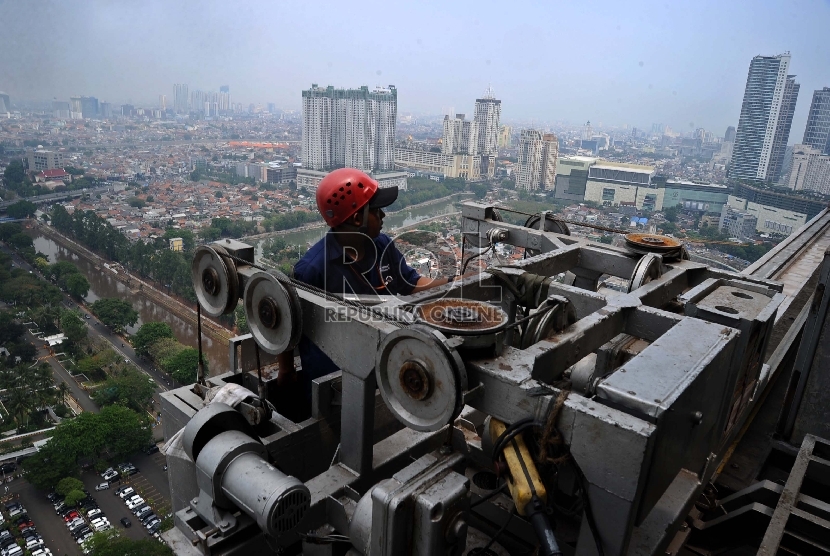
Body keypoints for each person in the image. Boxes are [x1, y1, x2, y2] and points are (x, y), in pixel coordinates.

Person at [277, 168, 462, 411]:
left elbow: (411, 284)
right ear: (357, 218)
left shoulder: (383, 245)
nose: (383, 215)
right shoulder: (313, 269)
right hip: (333, 383)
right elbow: (286, 321)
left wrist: (454, 283)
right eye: (376, 210)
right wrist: (286, 371)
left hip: (382, 366)